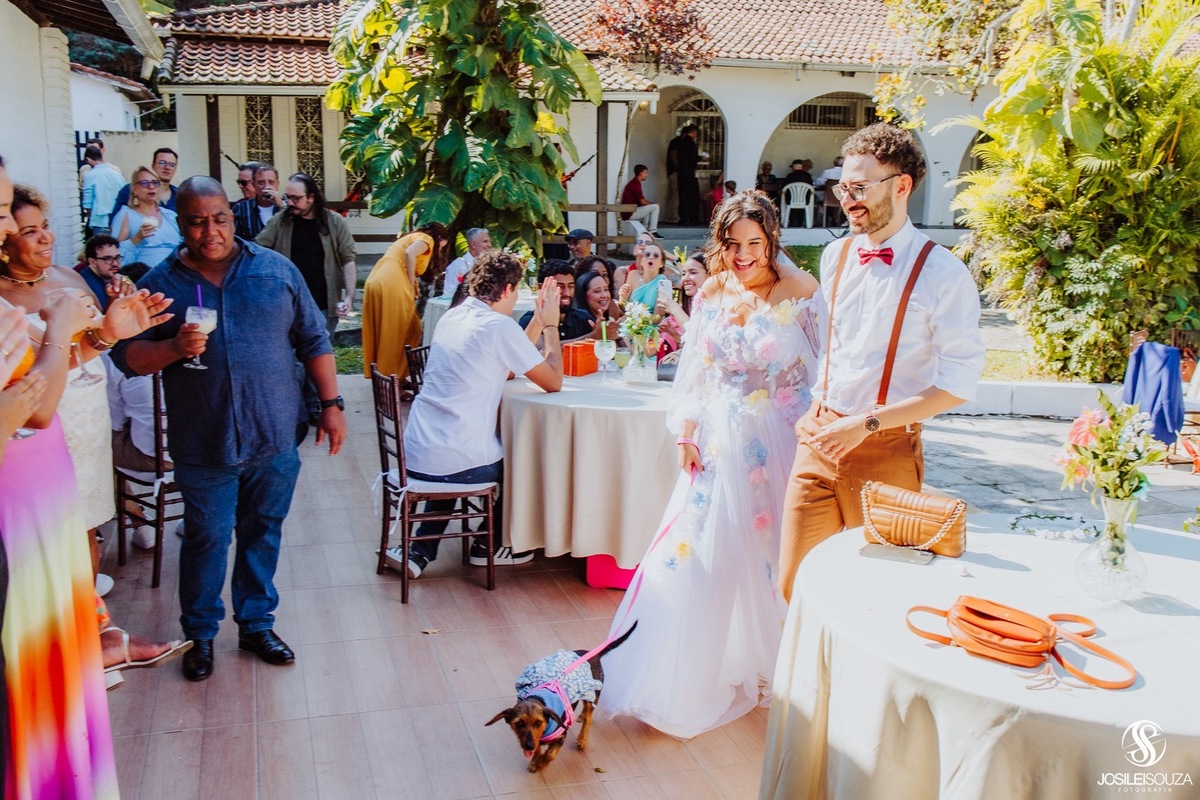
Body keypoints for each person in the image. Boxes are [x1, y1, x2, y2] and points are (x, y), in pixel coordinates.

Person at [601, 190, 821, 739]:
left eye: (755, 243)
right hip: (719, 440)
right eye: (732, 243)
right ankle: (688, 675)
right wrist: (688, 430)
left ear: (772, 239)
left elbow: (825, 369)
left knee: (774, 554)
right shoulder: (714, 289)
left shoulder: (802, 290)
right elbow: (696, 368)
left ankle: (783, 668)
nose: (743, 254)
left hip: (780, 439)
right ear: (719, 243)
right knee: (702, 551)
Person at [112, 176, 347, 682]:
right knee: (207, 538)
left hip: (274, 433)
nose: (210, 230)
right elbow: (127, 357)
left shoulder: (274, 271)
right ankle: (200, 635)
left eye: (218, 218)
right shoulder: (160, 284)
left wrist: (331, 404)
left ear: (231, 215)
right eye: (196, 221)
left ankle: (256, 624)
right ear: (183, 223)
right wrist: (173, 348)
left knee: (263, 532)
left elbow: (313, 339)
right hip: (205, 440)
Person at [0, 152, 180, 799]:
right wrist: (63, 338)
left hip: (54, 458)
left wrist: (105, 334)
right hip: (23, 478)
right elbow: (31, 398)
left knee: (65, 599)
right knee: (30, 645)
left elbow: (44, 370)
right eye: (14, 223)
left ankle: (93, 635)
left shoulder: (62, 286)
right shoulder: (11, 303)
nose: (36, 237)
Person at [778, 124, 985, 601]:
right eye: (843, 187)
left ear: (902, 185)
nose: (847, 199)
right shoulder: (836, 255)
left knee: (877, 595)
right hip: (819, 441)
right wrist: (815, 407)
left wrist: (865, 424)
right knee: (795, 584)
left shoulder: (943, 272)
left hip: (886, 448)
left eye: (860, 188)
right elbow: (835, 347)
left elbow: (958, 384)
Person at [386, 251, 564, 577]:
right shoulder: (498, 326)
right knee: (524, 456)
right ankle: (492, 545)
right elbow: (553, 381)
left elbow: (508, 368)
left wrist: (536, 321)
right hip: (458, 460)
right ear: (509, 289)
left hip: (418, 452)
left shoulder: (453, 316)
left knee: (460, 448)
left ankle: (419, 552)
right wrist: (551, 324)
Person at [256, 172, 357, 337]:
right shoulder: (280, 221)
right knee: (295, 358)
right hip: (290, 304)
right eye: (287, 197)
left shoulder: (335, 221)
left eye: (296, 198)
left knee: (321, 354)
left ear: (311, 197)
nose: (289, 203)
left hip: (324, 304)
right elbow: (258, 251)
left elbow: (348, 260)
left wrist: (349, 297)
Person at [361, 222, 448, 382]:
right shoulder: (427, 239)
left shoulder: (411, 237)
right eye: (442, 246)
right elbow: (410, 253)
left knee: (388, 331)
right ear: (439, 238)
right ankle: (394, 381)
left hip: (377, 279)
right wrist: (409, 282)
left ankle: (394, 378)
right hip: (393, 282)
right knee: (401, 333)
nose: (440, 250)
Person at [112, 166, 182, 268]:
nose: (151, 187)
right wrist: (137, 238)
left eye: (155, 183)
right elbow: (114, 253)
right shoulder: (126, 215)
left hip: (175, 273)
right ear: (134, 189)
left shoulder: (170, 215)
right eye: (145, 183)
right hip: (142, 277)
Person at [519, 260, 593, 342]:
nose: (567, 293)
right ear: (541, 288)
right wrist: (592, 337)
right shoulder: (530, 321)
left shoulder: (583, 318)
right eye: (559, 286)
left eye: (571, 286)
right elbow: (543, 349)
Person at [656, 250, 708, 354]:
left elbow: (700, 341)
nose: (685, 278)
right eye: (683, 273)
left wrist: (674, 308)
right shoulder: (689, 306)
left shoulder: (717, 305)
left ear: (710, 275)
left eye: (693, 272)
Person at [109, 147, 178, 218]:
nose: (167, 167)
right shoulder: (132, 189)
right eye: (162, 163)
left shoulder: (180, 195)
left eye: (171, 164)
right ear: (153, 165)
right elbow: (114, 221)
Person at [80, 145, 125, 237]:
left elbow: (88, 204)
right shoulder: (117, 175)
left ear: (88, 160)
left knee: (101, 249)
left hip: (100, 221)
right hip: (118, 220)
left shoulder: (90, 175)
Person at [232, 164, 283, 241]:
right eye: (261, 182)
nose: (266, 187)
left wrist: (281, 206)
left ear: (277, 184)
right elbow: (235, 240)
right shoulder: (241, 208)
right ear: (254, 185)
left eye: (271, 182)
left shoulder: (287, 206)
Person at [76, 235, 123, 311]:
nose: (115, 263)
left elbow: (127, 278)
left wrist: (127, 281)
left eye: (117, 258)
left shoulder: (110, 273)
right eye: (107, 259)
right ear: (92, 262)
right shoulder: (89, 287)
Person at [573, 269, 621, 341]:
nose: (604, 295)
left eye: (606, 289)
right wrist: (595, 335)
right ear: (583, 295)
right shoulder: (576, 324)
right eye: (597, 291)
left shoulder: (610, 321)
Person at [618, 242, 669, 310]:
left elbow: (658, 316)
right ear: (641, 261)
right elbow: (623, 308)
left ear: (661, 263)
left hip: (652, 319)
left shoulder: (663, 282)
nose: (651, 257)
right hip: (630, 318)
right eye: (647, 254)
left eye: (656, 255)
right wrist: (623, 297)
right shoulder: (633, 275)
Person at [442, 227, 491, 297]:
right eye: (485, 241)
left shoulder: (491, 264)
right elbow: (448, 294)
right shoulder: (457, 265)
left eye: (489, 242)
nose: (489, 245)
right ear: (473, 245)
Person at [620, 164, 660, 235]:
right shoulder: (635, 184)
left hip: (629, 211)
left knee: (649, 207)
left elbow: (642, 200)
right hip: (629, 213)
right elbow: (642, 201)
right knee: (655, 207)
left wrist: (651, 204)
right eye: (645, 172)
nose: (647, 175)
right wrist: (654, 204)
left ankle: (644, 231)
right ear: (641, 172)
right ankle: (653, 231)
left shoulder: (634, 182)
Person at [675, 124, 701, 225]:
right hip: (689, 173)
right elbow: (693, 157)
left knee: (683, 196)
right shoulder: (690, 143)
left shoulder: (681, 142)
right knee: (691, 196)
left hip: (682, 173)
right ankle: (690, 218)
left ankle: (683, 217)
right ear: (694, 132)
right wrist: (700, 158)